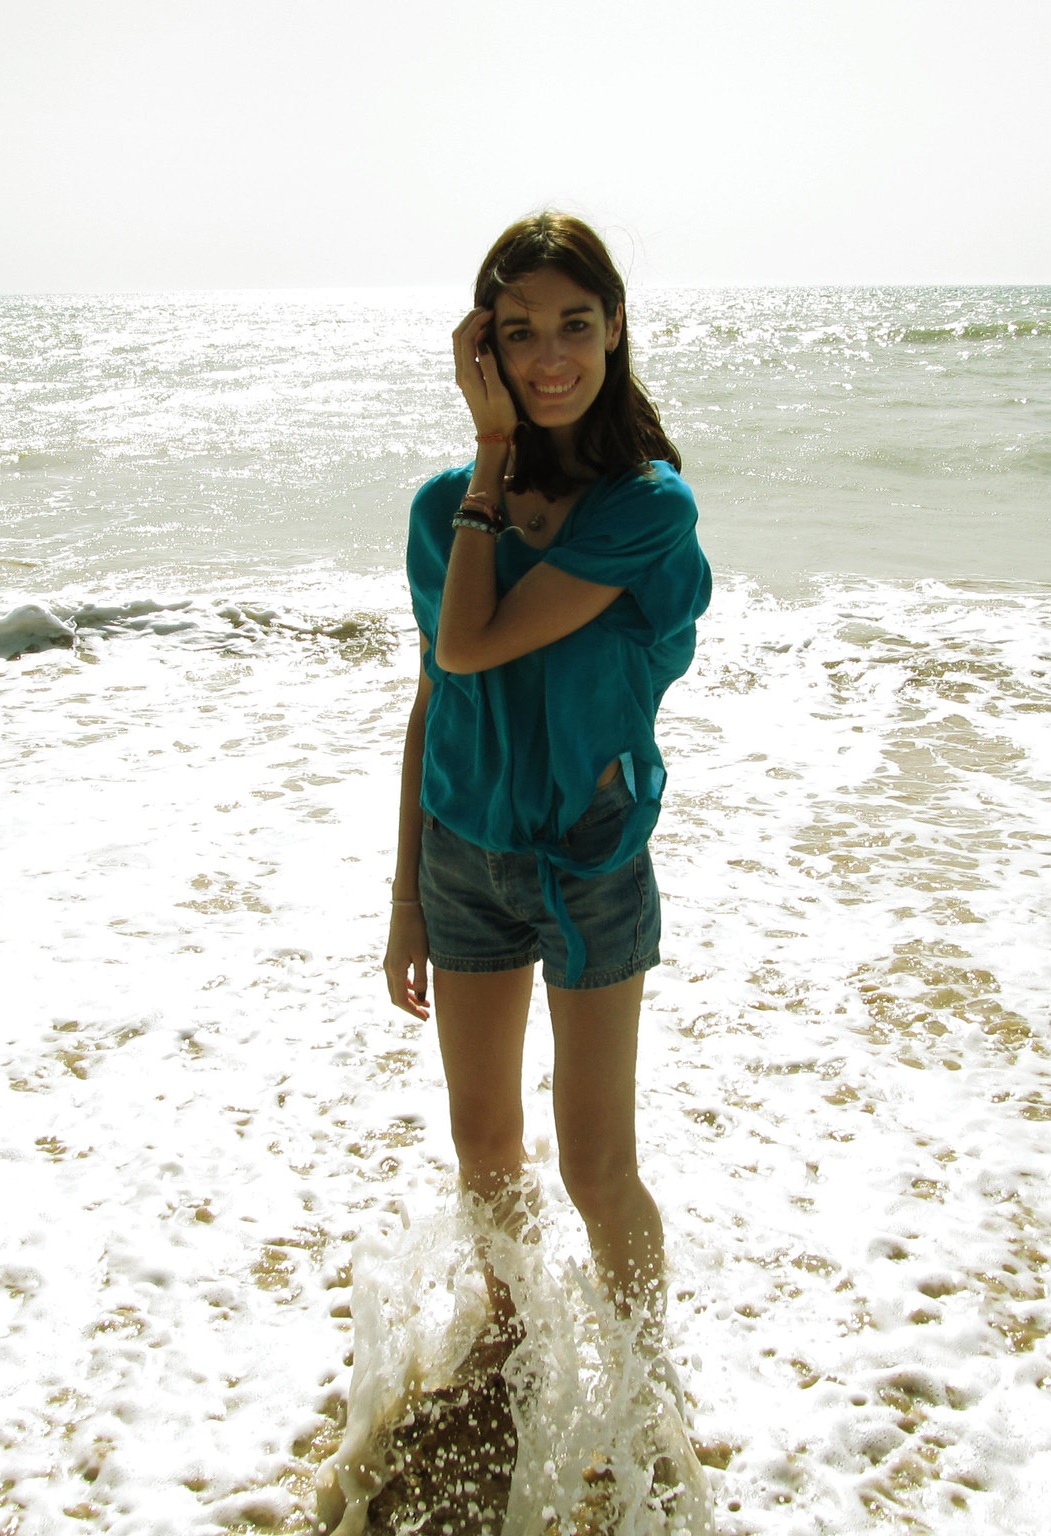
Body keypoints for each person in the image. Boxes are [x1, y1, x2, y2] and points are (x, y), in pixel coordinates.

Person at [383, 212, 712, 1351]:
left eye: (576, 324)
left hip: (588, 860)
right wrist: (404, 898)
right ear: (485, 350)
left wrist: (485, 458)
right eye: (517, 333)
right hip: (463, 854)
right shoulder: (440, 514)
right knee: (482, 1143)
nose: (550, 357)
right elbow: (438, 698)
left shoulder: (644, 511)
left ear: (615, 330)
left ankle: (636, 1379)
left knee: (594, 1164)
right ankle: (512, 1342)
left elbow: (474, 641)